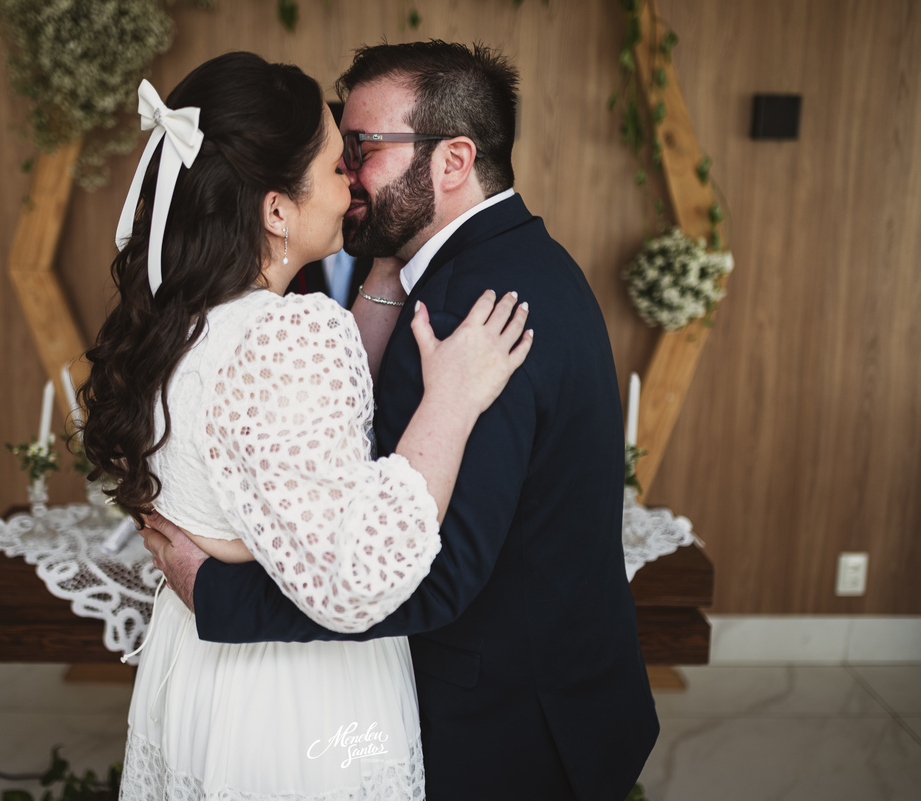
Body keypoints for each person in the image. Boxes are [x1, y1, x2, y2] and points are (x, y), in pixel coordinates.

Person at [145, 41, 660, 800]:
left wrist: (210, 591)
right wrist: (387, 271)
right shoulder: (491, 264)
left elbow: (434, 573)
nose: (347, 171)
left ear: (453, 161)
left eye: (362, 147)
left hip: (509, 726)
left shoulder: (472, 313)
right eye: (340, 150)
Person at [78, 52, 531, 800]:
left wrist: (383, 276)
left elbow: (278, 433)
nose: (352, 181)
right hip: (297, 701)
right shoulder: (293, 334)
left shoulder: (172, 321)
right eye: (333, 166)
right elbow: (355, 580)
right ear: (276, 210)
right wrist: (451, 398)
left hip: (195, 674)